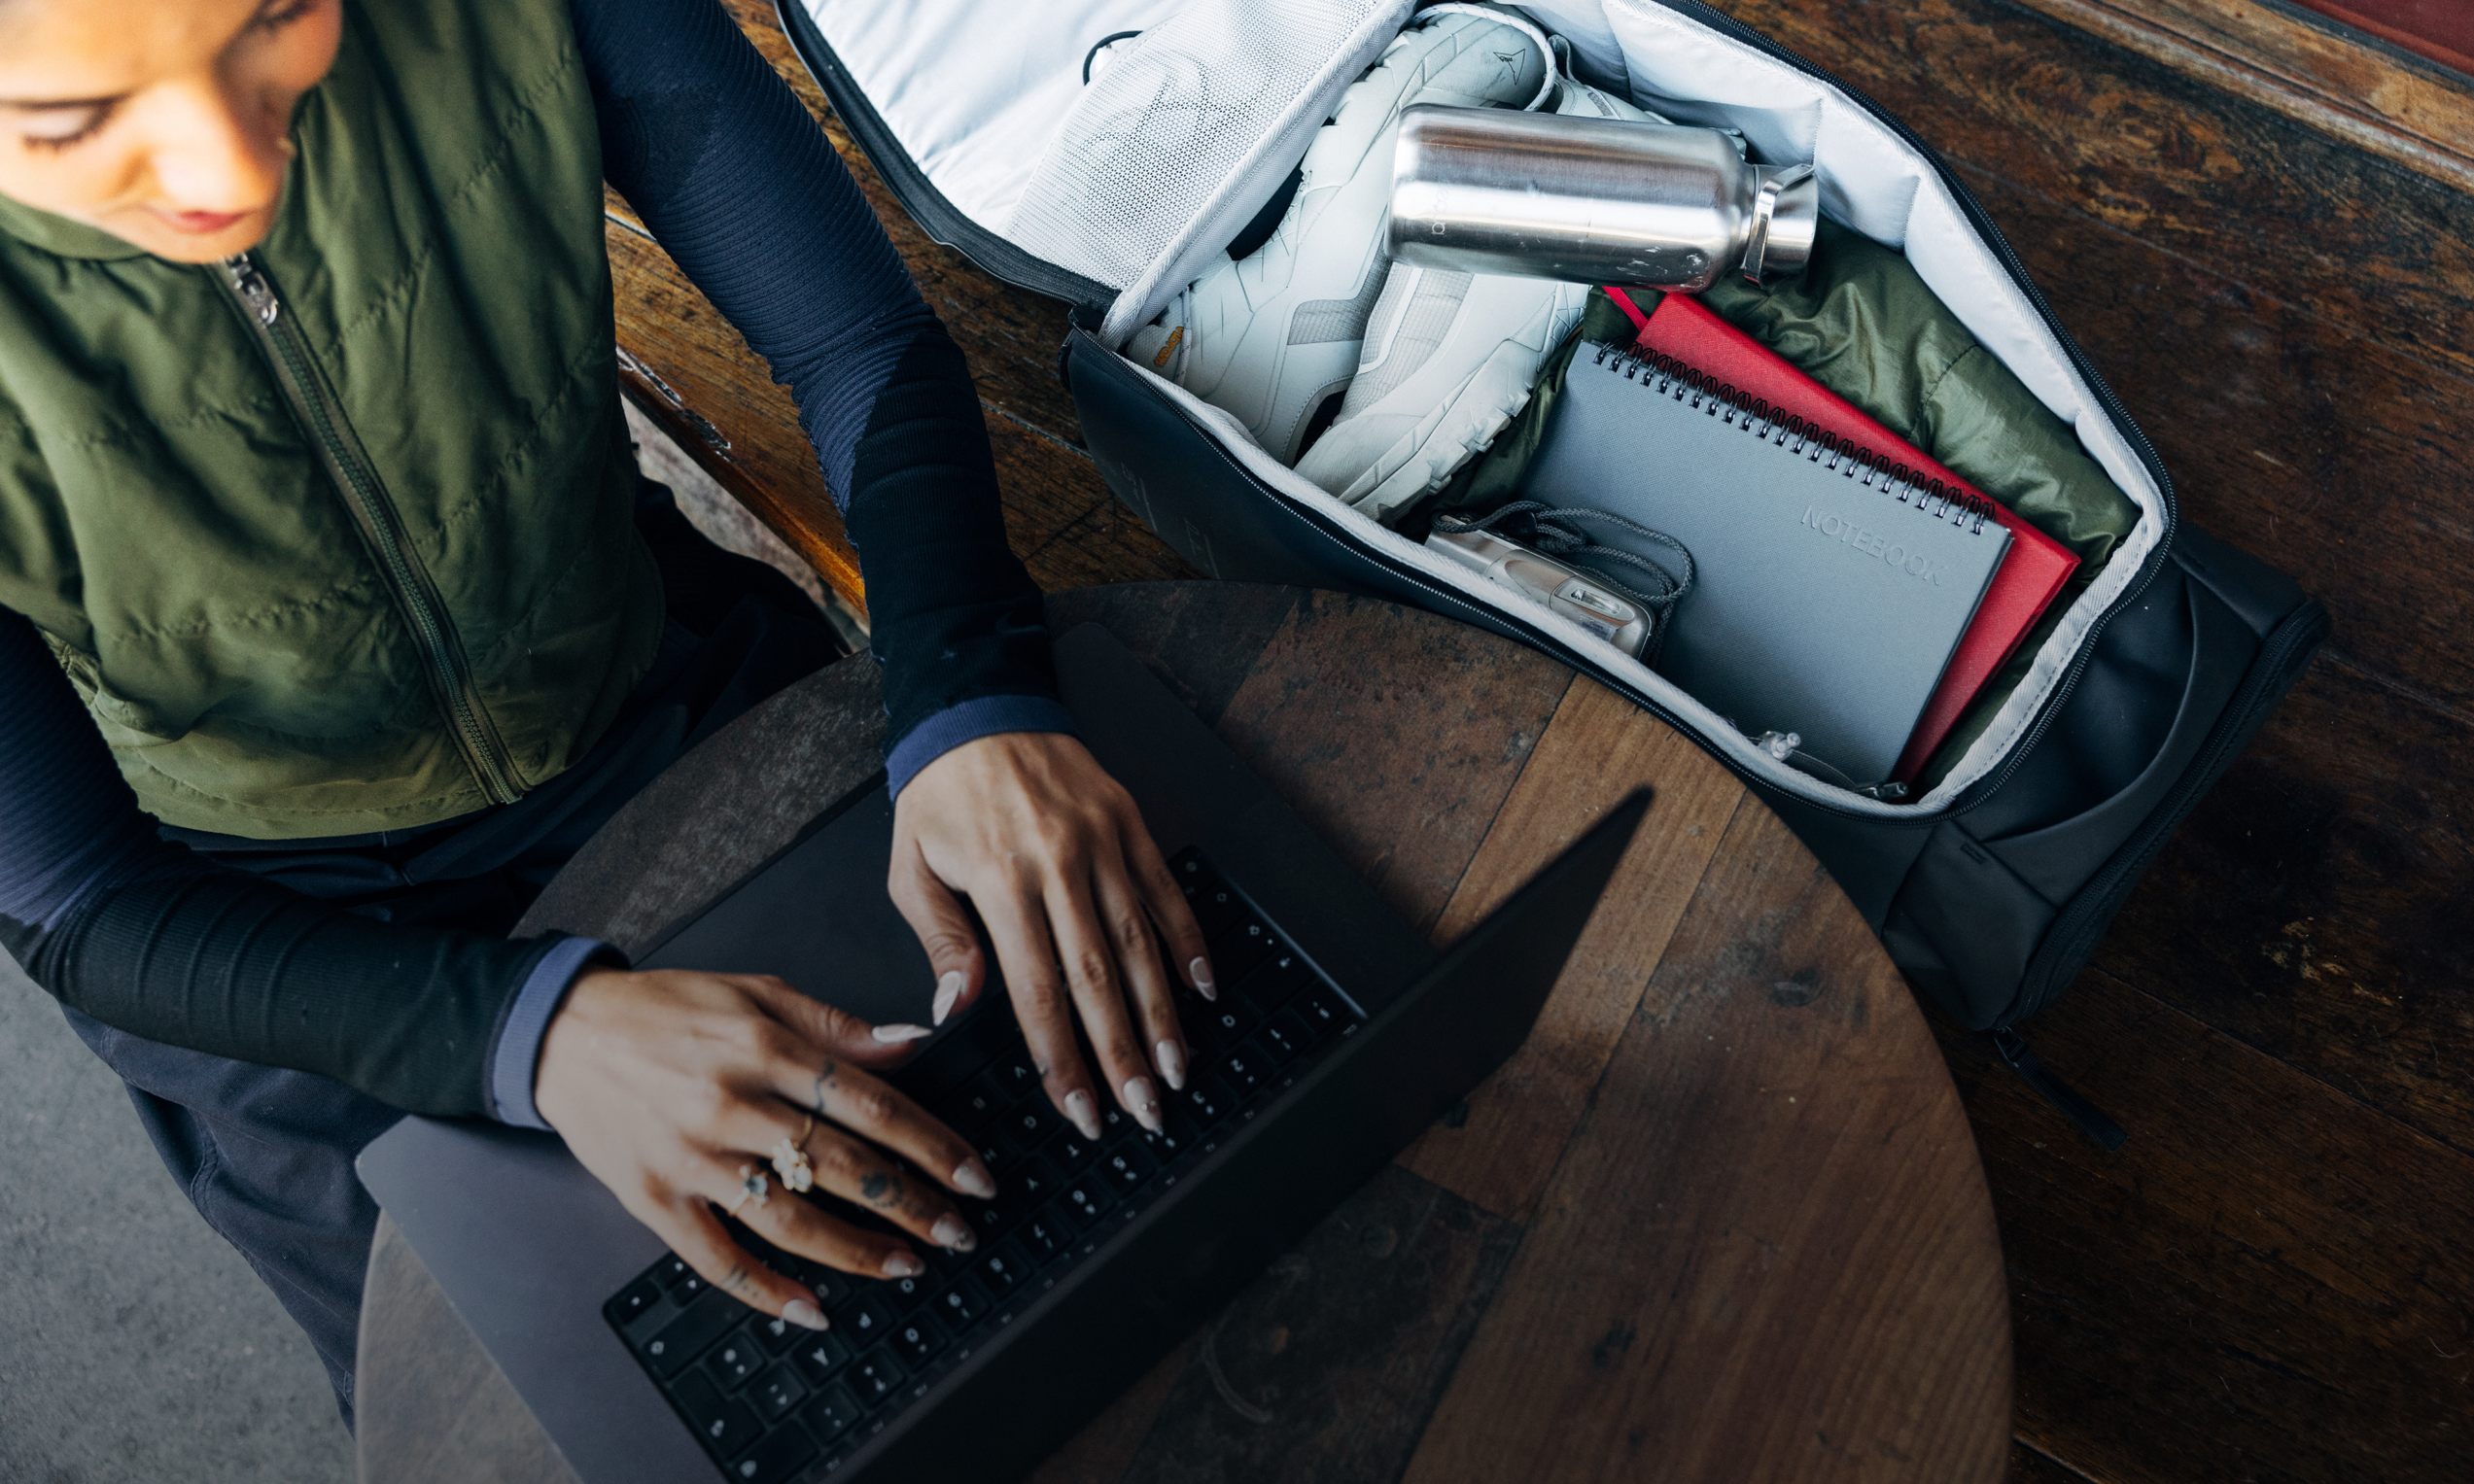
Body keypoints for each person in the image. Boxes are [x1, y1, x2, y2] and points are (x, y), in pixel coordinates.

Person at [0, 0, 1213, 1423]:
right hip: (248, 921)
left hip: (655, 692)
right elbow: (75, 898)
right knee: (572, 1413)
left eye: (278, 13)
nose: (229, 168)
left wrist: (968, 687)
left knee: (1064, 1155)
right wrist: (534, 1032)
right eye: (70, 121)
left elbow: (862, 349)